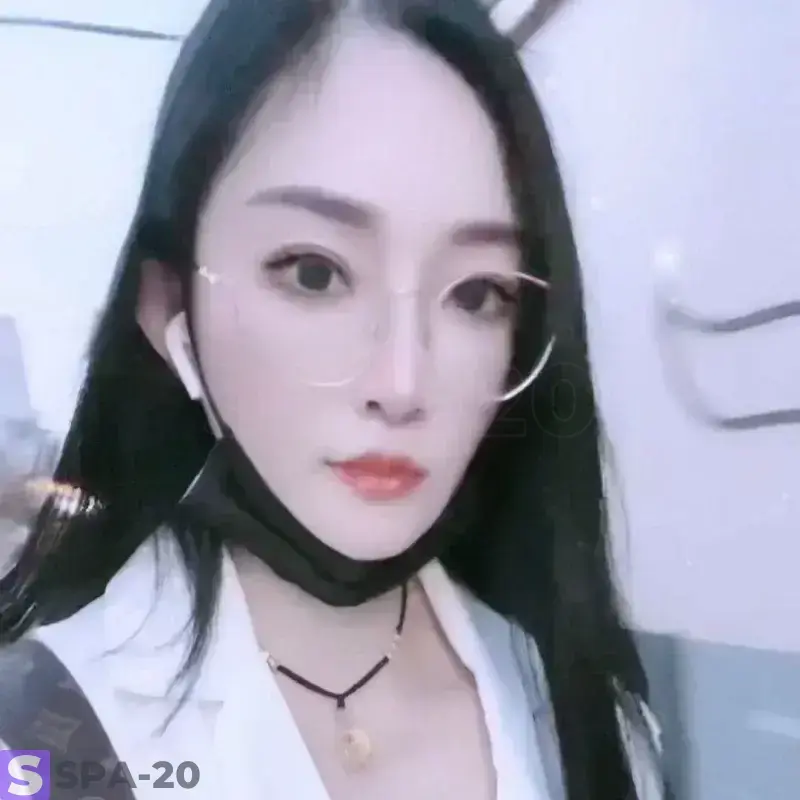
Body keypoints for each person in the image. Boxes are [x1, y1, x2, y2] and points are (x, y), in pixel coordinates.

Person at [0, 1, 664, 798]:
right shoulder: (38, 737)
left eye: (477, 292)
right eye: (315, 273)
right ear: (169, 306)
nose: (402, 385)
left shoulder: (593, 720)